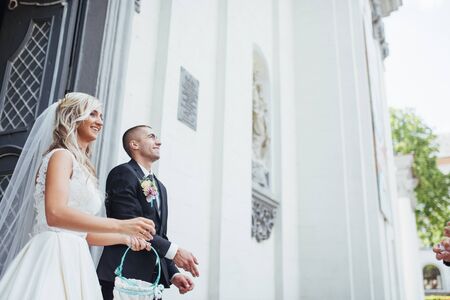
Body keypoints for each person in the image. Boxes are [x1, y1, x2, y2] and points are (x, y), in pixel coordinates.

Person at [0, 93, 156, 299]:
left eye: (100, 116)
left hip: (77, 259)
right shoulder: (61, 156)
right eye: (92, 114)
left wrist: (125, 238)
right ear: (72, 117)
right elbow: (55, 214)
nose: (99, 121)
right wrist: (121, 225)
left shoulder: (84, 168)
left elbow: (83, 234)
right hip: (53, 255)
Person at [97, 125, 199, 300]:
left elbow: (159, 234)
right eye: (152, 137)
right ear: (134, 144)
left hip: (152, 282)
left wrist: (173, 274)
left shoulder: (161, 188)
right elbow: (129, 224)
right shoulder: (122, 174)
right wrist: (175, 251)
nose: (158, 141)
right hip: (123, 278)